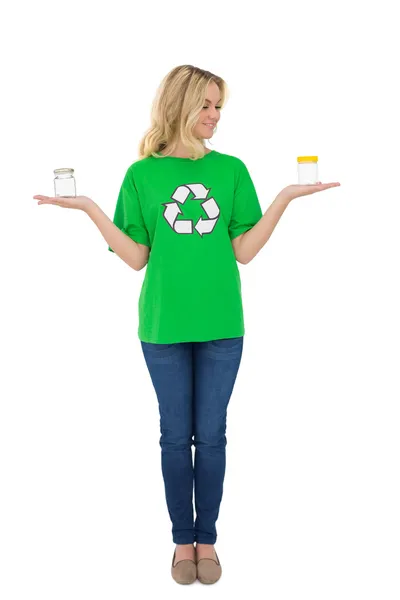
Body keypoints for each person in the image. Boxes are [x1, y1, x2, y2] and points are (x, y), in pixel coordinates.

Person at [33, 65, 340, 585]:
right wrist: (89, 209)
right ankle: (182, 542)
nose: (215, 116)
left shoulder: (232, 169)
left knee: (213, 436)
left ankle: (209, 540)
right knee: (176, 437)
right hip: (163, 327)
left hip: (222, 324)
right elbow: (135, 257)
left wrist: (284, 199)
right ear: (179, 104)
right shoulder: (141, 175)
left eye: (219, 106)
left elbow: (243, 251)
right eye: (206, 105)